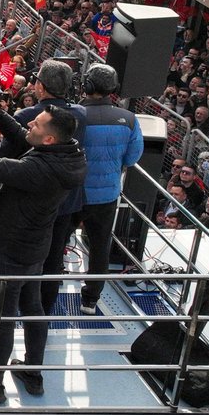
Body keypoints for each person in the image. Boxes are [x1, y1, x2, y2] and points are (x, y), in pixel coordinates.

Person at [0, 95, 87, 403]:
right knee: (33, 307)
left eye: (37, 124)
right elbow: (23, 135)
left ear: (50, 138)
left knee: (2, 317)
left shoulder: (39, 168)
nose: (30, 125)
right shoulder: (70, 154)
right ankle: (32, 372)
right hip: (36, 246)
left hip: (10, 249)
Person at [53, 64, 143, 316]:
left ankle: (52, 281)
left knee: (57, 239)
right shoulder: (129, 119)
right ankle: (91, 300)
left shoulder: (72, 115)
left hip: (71, 194)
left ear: (87, 85)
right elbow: (132, 157)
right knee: (100, 246)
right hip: (106, 196)